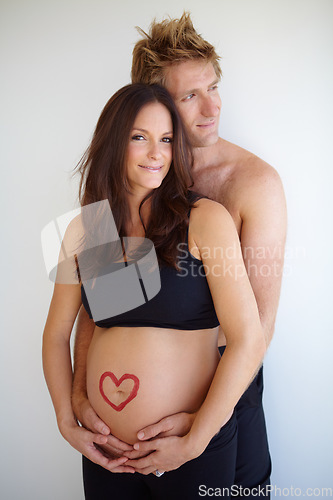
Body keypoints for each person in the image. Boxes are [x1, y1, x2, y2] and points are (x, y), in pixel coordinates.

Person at [71, 12, 287, 495]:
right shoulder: (131, 188)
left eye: (213, 86)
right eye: (190, 96)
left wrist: (201, 429)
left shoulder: (253, 185)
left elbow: (258, 329)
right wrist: (81, 393)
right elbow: (100, 305)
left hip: (227, 408)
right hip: (120, 446)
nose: (211, 107)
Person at [42, 83, 266, 499]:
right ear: (113, 142)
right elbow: (56, 334)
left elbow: (247, 340)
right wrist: (66, 418)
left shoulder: (204, 219)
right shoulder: (85, 230)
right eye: (139, 138)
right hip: (106, 450)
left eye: (166, 140)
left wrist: (196, 438)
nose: (155, 153)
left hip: (191, 449)